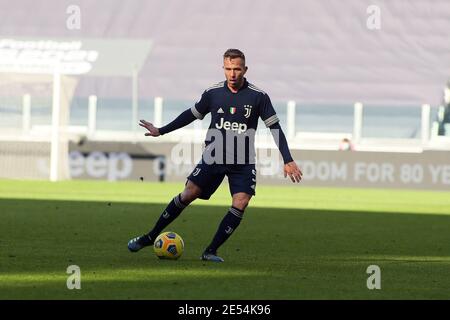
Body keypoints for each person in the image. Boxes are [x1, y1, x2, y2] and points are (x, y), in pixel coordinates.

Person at [128, 49, 303, 262]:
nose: (232, 74)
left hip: (243, 161)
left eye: (237, 69)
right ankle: (150, 236)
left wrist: (287, 159)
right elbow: (190, 115)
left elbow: (275, 128)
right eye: (228, 69)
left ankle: (210, 251)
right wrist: (161, 130)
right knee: (188, 194)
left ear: (245, 69)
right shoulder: (213, 93)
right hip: (214, 156)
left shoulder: (259, 97)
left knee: (241, 202)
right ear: (223, 69)